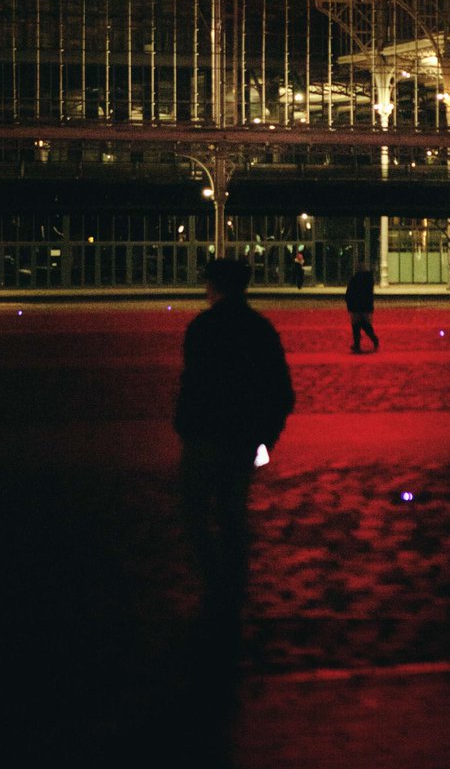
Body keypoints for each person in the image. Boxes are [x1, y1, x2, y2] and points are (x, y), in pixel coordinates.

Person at [175, 258, 295, 633]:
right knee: (232, 514)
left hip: (204, 436)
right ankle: (233, 584)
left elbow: (192, 385)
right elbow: (281, 392)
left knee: (194, 511)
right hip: (242, 437)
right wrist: (265, 437)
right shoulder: (259, 329)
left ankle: (216, 582)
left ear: (215, 286)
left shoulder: (203, 327)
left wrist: (185, 425)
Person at [345, 265, 379, 353]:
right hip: (366, 307)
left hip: (355, 306)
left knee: (356, 327)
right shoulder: (369, 281)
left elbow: (349, 293)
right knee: (366, 325)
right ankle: (373, 339)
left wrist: (349, 305)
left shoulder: (354, 280)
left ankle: (357, 345)